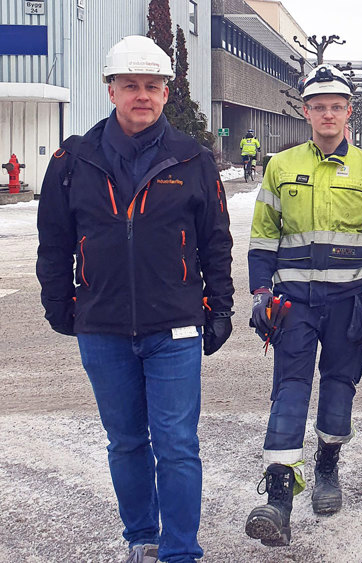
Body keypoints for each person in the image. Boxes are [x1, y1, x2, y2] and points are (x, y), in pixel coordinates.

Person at [35, 35, 234, 563]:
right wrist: (60, 304)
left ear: (167, 93)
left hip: (174, 329)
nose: (142, 95)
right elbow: (53, 241)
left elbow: (216, 240)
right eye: (130, 85)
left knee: (176, 446)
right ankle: (142, 538)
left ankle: (180, 551)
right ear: (111, 90)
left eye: (152, 86)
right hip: (102, 329)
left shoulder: (191, 158)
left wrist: (221, 306)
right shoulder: (73, 159)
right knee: (125, 442)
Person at [244, 63, 362, 547]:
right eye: (318, 106)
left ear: (348, 112)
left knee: (338, 387)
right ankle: (280, 495)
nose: (327, 114)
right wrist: (260, 292)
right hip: (294, 304)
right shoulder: (280, 166)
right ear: (306, 112)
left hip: (348, 302)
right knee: (289, 388)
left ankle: (327, 463)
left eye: (336, 106)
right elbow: (264, 234)